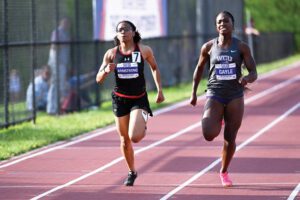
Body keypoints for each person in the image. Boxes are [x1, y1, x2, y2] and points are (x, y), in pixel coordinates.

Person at [190, 11, 257, 187]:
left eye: (226, 21)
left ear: (232, 25)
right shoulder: (208, 47)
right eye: (219, 22)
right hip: (215, 93)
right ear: (216, 26)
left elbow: (254, 72)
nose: (222, 24)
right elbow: (198, 69)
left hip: (235, 95)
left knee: (230, 137)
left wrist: (246, 79)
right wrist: (193, 93)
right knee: (209, 134)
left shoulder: (241, 47)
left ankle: (224, 171)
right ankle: (217, 118)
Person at [96, 20, 165, 186]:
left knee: (135, 136)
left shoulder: (143, 50)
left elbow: (154, 67)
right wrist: (106, 71)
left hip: (138, 98)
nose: (123, 32)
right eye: (120, 30)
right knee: (124, 140)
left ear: (133, 32)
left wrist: (159, 90)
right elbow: (98, 79)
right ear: (117, 34)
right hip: (120, 100)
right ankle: (132, 171)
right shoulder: (111, 53)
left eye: (126, 29)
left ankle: (141, 123)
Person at [47, 17, 71, 115]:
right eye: (65, 22)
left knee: (61, 86)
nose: (66, 25)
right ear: (61, 22)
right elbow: (53, 47)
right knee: (55, 85)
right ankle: (52, 109)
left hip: (63, 63)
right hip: (57, 62)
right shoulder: (57, 32)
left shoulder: (66, 33)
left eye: (67, 23)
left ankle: (58, 108)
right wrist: (64, 44)